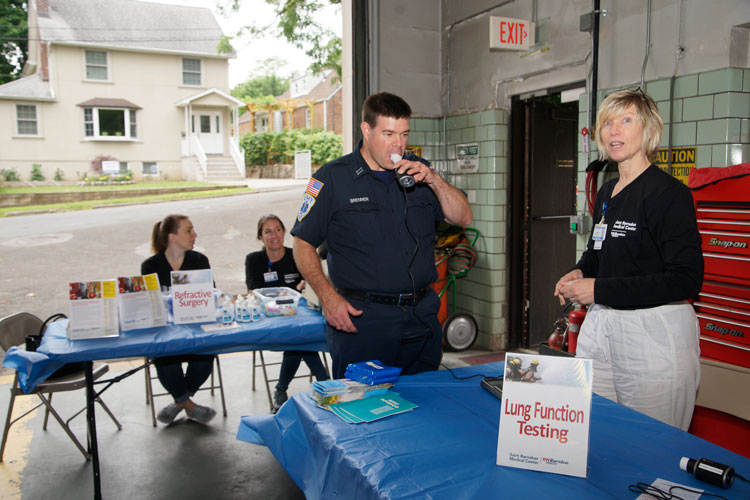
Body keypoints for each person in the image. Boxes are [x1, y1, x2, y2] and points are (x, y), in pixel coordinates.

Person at [291, 92, 473, 379]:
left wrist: (434, 181)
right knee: (360, 411)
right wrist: (327, 298)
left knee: (424, 407)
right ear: (367, 130)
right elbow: (302, 243)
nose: (398, 144)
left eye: (403, 134)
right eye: (388, 133)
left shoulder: (419, 173)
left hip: (421, 317)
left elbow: (463, 217)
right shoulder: (332, 178)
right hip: (364, 320)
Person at [553, 89, 703, 430]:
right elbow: (598, 253)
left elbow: (685, 279)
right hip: (603, 326)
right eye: (607, 123)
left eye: (626, 120)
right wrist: (578, 272)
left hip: (653, 333)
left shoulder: (669, 194)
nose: (614, 131)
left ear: (648, 129)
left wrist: (599, 289)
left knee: (652, 443)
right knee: (600, 435)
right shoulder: (608, 191)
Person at [245, 214, 329, 412]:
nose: (274, 235)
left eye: (278, 229)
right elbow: (253, 291)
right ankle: (325, 382)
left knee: (298, 339)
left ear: (284, 232)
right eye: (268, 231)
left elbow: (311, 284)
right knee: (299, 341)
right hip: (270, 319)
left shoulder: (297, 255)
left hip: (299, 317)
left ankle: (282, 390)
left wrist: (305, 283)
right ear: (260, 237)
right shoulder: (254, 260)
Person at [141, 214, 217, 425]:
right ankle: (189, 405)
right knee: (164, 357)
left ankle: (178, 403)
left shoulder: (199, 260)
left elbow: (211, 294)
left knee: (206, 355)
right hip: (165, 332)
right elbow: (150, 305)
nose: (195, 235)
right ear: (172, 237)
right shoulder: (150, 266)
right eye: (188, 230)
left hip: (196, 329)